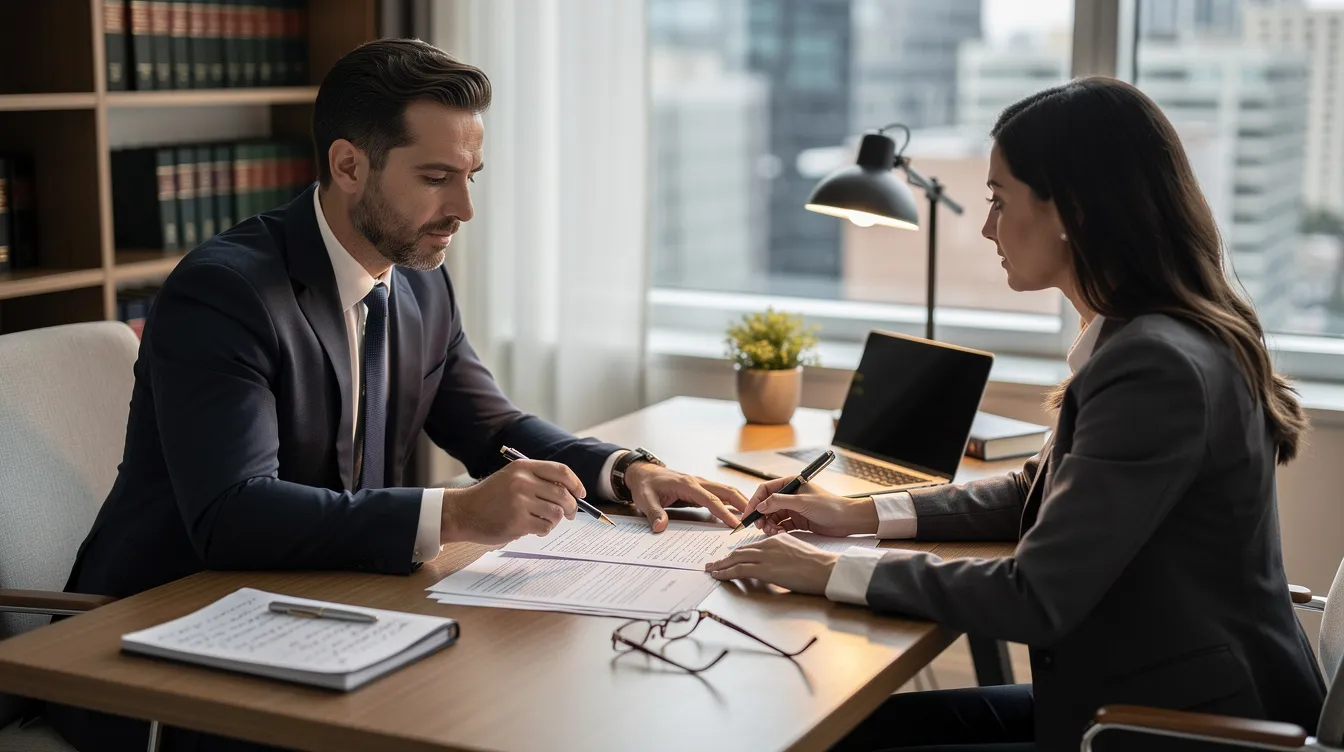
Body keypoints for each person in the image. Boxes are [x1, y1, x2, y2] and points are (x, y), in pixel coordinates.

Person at [49, 39, 746, 752]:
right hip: (158, 646)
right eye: (438, 177)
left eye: (472, 175)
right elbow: (233, 514)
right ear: (349, 165)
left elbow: (489, 426)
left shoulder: (418, 279)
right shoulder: (227, 293)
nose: (465, 208)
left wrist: (624, 470)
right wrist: (458, 513)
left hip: (318, 614)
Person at [705, 77, 1327, 752]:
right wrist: (853, 516)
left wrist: (824, 570)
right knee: (846, 730)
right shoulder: (1142, 336)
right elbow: (1034, 491)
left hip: (1182, 728)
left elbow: (1036, 595)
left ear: (1074, 210)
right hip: (1133, 695)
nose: (987, 227)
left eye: (999, 200)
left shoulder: (1155, 365)